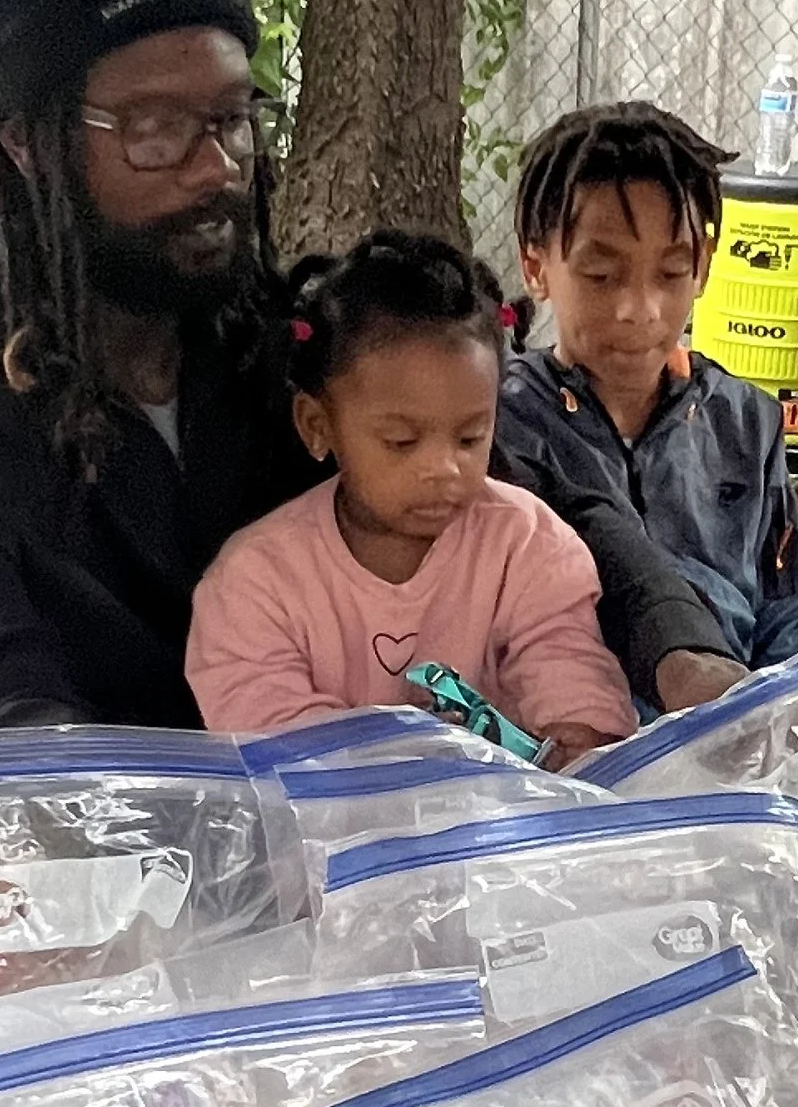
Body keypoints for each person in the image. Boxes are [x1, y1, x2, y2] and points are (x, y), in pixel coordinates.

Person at [0, 0, 744, 733]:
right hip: (112, 870)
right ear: (26, 141)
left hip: (354, 843)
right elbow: (3, 728)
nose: (213, 167)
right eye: (154, 128)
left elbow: (548, 502)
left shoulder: (287, 347)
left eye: (231, 117)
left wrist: (680, 649)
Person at [186, 232, 635, 756]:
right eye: (402, 441)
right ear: (316, 425)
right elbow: (281, 755)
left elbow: (574, 691)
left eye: (471, 437)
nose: (444, 468)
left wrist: (575, 746)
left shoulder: (528, 545)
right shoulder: (253, 584)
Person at [496, 100, 798, 673]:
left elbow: (790, 623)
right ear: (535, 267)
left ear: (704, 267)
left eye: (671, 273)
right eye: (601, 275)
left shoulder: (745, 420)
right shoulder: (502, 425)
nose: (639, 310)